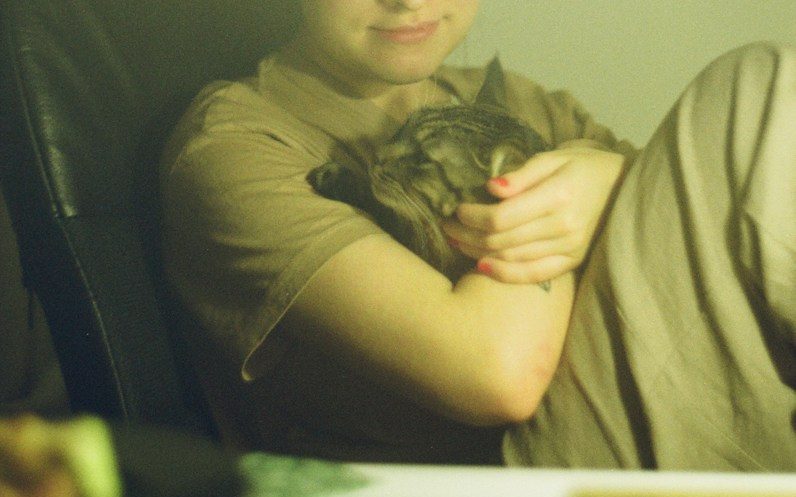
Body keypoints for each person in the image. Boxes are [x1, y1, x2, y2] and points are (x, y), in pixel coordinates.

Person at [160, 0, 795, 469]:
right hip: (497, 472)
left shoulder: (511, 96)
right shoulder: (236, 143)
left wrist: (609, 175)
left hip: (686, 409)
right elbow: (500, 372)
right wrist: (530, 176)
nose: (408, 1)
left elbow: (699, 219)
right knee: (753, 88)